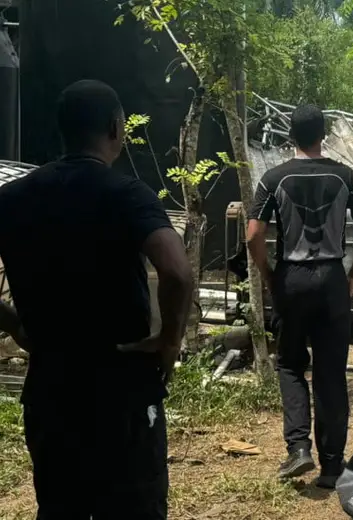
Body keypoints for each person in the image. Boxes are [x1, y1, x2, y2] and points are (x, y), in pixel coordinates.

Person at [0, 80, 193, 517]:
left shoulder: (12, 198)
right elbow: (178, 271)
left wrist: (14, 323)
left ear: (62, 130)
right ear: (115, 128)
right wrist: (169, 340)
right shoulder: (126, 195)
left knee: (60, 507)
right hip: (120, 388)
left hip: (51, 389)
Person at [247, 104, 353, 488]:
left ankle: (299, 449)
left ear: (291, 136)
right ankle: (333, 465)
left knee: (290, 364)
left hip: (293, 278)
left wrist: (269, 274)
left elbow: (254, 234)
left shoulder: (273, 178)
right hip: (332, 279)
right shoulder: (345, 176)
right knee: (330, 372)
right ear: (323, 135)